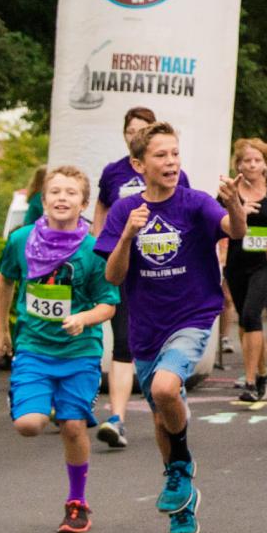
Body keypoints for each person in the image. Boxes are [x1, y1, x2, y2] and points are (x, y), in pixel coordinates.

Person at [97, 121, 246, 533]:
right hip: (147, 326)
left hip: (193, 316)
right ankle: (182, 498)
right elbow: (113, 275)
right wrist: (127, 236)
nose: (170, 162)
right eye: (161, 155)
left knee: (164, 391)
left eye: (175, 153)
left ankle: (180, 464)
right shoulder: (127, 211)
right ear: (138, 163)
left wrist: (234, 204)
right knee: (164, 415)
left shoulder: (195, 203)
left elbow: (235, 231)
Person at [0, 166, 119, 533]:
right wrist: (0, 329)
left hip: (80, 352)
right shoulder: (21, 240)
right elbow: (5, 280)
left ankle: (77, 502)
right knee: (29, 425)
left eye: (71, 193)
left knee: (73, 426)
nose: (62, 198)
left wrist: (84, 318)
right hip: (34, 347)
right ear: (43, 201)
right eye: (55, 192)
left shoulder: (95, 250)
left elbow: (108, 303)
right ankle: (28, 394)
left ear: (83, 203)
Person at [92, 105, 190, 450]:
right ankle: (117, 417)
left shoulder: (173, 175)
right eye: (131, 130)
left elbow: (188, 217)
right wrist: (103, 241)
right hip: (124, 267)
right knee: (122, 342)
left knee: (162, 377)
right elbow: (103, 208)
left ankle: (173, 393)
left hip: (164, 279)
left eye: (142, 129)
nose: (136, 134)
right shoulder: (113, 173)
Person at [224, 137, 267, 403]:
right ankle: (262, 372)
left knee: (252, 314)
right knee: (244, 319)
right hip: (237, 263)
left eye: (257, 160)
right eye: (246, 161)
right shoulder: (229, 193)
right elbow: (218, 225)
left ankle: (250, 382)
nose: (252, 165)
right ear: (238, 165)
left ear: (266, 164)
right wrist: (237, 210)